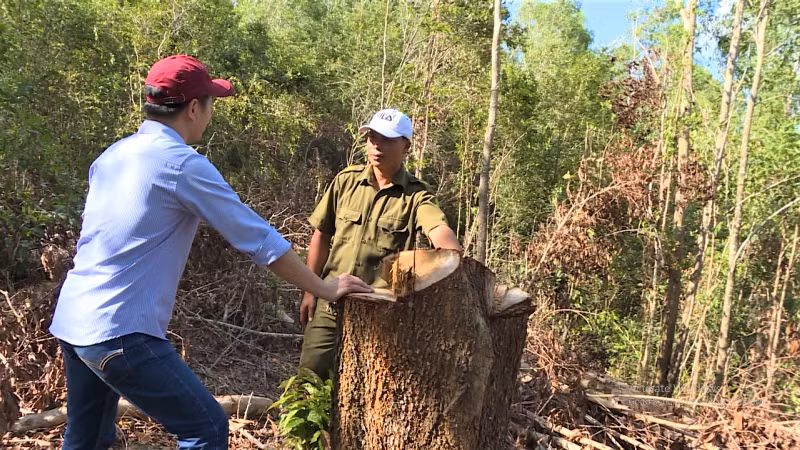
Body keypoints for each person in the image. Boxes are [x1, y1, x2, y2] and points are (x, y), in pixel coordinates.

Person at [48, 54, 372, 450]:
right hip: (119, 329)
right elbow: (259, 240)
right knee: (206, 427)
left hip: (74, 319)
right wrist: (323, 288)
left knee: (87, 438)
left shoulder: (112, 156)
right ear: (194, 108)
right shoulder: (181, 165)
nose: (211, 112)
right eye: (211, 103)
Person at [297, 108, 462, 379]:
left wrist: (453, 259)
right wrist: (309, 290)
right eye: (372, 137)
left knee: (366, 386)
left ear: (406, 146)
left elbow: (438, 228)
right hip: (332, 299)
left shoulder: (416, 195)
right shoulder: (345, 182)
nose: (376, 145)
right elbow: (322, 236)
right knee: (309, 379)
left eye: (387, 139)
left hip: (379, 311)